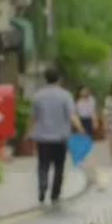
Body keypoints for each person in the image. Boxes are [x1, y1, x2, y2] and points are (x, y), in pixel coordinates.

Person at [29, 68, 83, 207]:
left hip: (42, 138)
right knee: (59, 166)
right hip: (60, 138)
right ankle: (55, 193)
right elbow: (72, 115)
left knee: (43, 164)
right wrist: (81, 129)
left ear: (45, 79)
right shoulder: (65, 95)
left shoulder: (38, 96)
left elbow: (33, 118)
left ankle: (42, 187)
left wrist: (28, 133)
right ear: (59, 79)